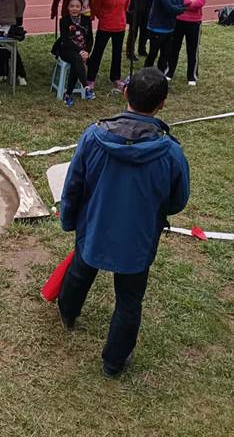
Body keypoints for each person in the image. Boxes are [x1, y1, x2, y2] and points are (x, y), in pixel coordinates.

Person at [58, 67, 190, 377]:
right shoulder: (171, 153)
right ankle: (113, 362)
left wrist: (69, 219)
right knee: (129, 299)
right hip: (138, 239)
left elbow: (73, 184)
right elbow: (178, 199)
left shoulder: (93, 137)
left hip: (95, 227)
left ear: (125, 92)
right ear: (162, 104)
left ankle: (68, 313)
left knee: (81, 269)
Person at [87, 0, 130, 90]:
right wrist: (104, 17)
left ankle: (115, 78)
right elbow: (96, 7)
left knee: (117, 53)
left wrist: (121, 18)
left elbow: (126, 6)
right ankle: (90, 78)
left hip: (120, 27)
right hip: (105, 27)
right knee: (97, 52)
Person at [166, 0, 208, 86]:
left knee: (192, 50)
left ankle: (192, 76)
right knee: (173, 48)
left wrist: (184, 2)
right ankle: (169, 73)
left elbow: (200, 3)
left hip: (194, 22)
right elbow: (175, 1)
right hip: (178, 21)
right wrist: (190, 1)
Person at [145, 0, 190, 74]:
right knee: (153, 54)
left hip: (169, 28)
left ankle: (161, 77)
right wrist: (180, 9)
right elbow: (170, 8)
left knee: (165, 56)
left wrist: (179, 8)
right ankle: (145, 75)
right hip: (157, 28)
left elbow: (179, 6)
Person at [56, 0, 95, 107]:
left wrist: (87, 51)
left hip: (81, 52)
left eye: (77, 6)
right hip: (67, 50)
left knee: (76, 61)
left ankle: (68, 94)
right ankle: (86, 86)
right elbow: (65, 41)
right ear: (68, 8)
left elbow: (90, 39)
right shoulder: (64, 21)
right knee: (77, 58)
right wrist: (80, 51)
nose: (74, 9)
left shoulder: (86, 20)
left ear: (81, 8)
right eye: (72, 6)